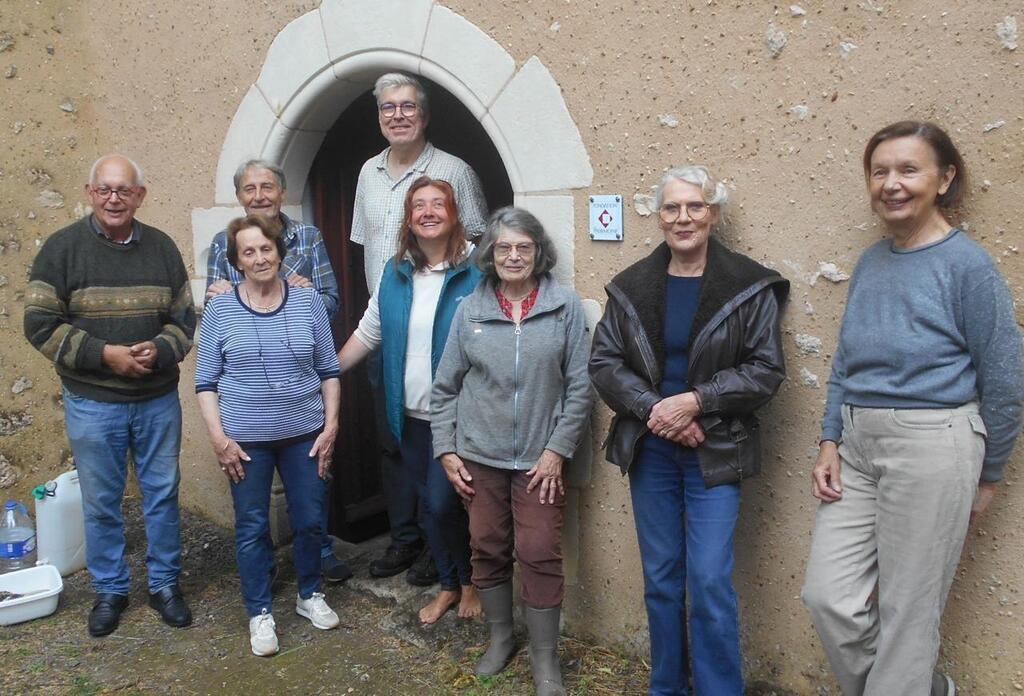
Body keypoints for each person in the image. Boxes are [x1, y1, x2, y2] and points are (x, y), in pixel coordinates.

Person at [801, 121, 1024, 696]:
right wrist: (829, 440)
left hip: (934, 443)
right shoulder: (873, 261)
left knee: (908, 613)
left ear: (944, 179)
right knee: (829, 598)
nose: (891, 184)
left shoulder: (967, 266)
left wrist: (989, 474)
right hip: (856, 446)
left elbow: (1004, 377)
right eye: (880, 172)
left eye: (908, 170)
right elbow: (847, 360)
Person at [589, 165, 789, 696]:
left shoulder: (748, 287)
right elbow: (605, 363)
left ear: (714, 214)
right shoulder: (631, 286)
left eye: (695, 207)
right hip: (651, 451)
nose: (684, 218)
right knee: (660, 582)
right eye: (672, 208)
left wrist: (697, 401)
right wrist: (659, 411)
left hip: (716, 450)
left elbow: (766, 370)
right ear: (658, 218)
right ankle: (667, 688)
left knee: (708, 581)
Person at [24, 154, 196, 637]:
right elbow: (37, 324)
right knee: (101, 501)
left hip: (157, 399)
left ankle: (164, 585)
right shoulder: (61, 250)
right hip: (93, 401)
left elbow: (185, 320)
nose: (114, 198)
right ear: (89, 192)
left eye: (124, 190)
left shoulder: (161, 247)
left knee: (162, 496)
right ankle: (111, 590)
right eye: (105, 190)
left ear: (140, 195)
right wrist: (107, 356)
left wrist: (159, 350)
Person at [432, 207, 592, 695]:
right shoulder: (470, 309)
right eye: (504, 247)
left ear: (539, 252)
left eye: (524, 247)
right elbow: (444, 389)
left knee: (540, 550)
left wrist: (557, 450)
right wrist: (446, 448)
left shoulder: (563, 307)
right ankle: (501, 638)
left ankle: (546, 661)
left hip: (541, 460)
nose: (514, 256)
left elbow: (581, 389)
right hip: (480, 455)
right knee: (488, 547)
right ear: (490, 254)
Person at [352, 72, 488, 583]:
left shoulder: (454, 170)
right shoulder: (367, 172)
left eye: (408, 106)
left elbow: (476, 242)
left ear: (424, 115)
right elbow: (368, 249)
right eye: (388, 108)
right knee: (395, 445)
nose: (398, 115)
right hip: (387, 333)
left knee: (449, 451)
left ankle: (445, 552)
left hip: (443, 338)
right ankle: (406, 540)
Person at [336, 176, 482, 624]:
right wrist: (324, 374)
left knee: (447, 504)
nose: (429, 212)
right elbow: (368, 332)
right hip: (411, 418)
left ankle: (472, 584)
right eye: (419, 205)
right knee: (430, 507)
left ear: (455, 214)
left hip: (457, 419)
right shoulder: (396, 272)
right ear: (409, 218)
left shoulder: (478, 271)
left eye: (439, 203)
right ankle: (448, 586)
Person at [195, 214, 342, 657]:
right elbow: (206, 382)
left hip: (305, 433)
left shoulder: (308, 302)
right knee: (253, 525)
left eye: (266, 249)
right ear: (236, 261)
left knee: (311, 519)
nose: (259, 258)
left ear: (279, 252)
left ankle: (309, 594)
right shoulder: (219, 309)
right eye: (249, 252)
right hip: (245, 440)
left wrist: (331, 426)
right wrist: (219, 439)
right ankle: (259, 611)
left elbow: (329, 371)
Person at [205, 159, 349, 583]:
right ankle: (261, 578)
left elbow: (331, 302)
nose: (259, 196)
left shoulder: (307, 237)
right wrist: (236, 296)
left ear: (282, 192)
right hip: (248, 396)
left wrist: (295, 294)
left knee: (310, 491)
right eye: (249, 189)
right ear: (239, 198)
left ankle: (319, 553)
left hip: (299, 384)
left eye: (267, 187)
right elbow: (215, 313)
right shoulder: (222, 242)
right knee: (251, 509)